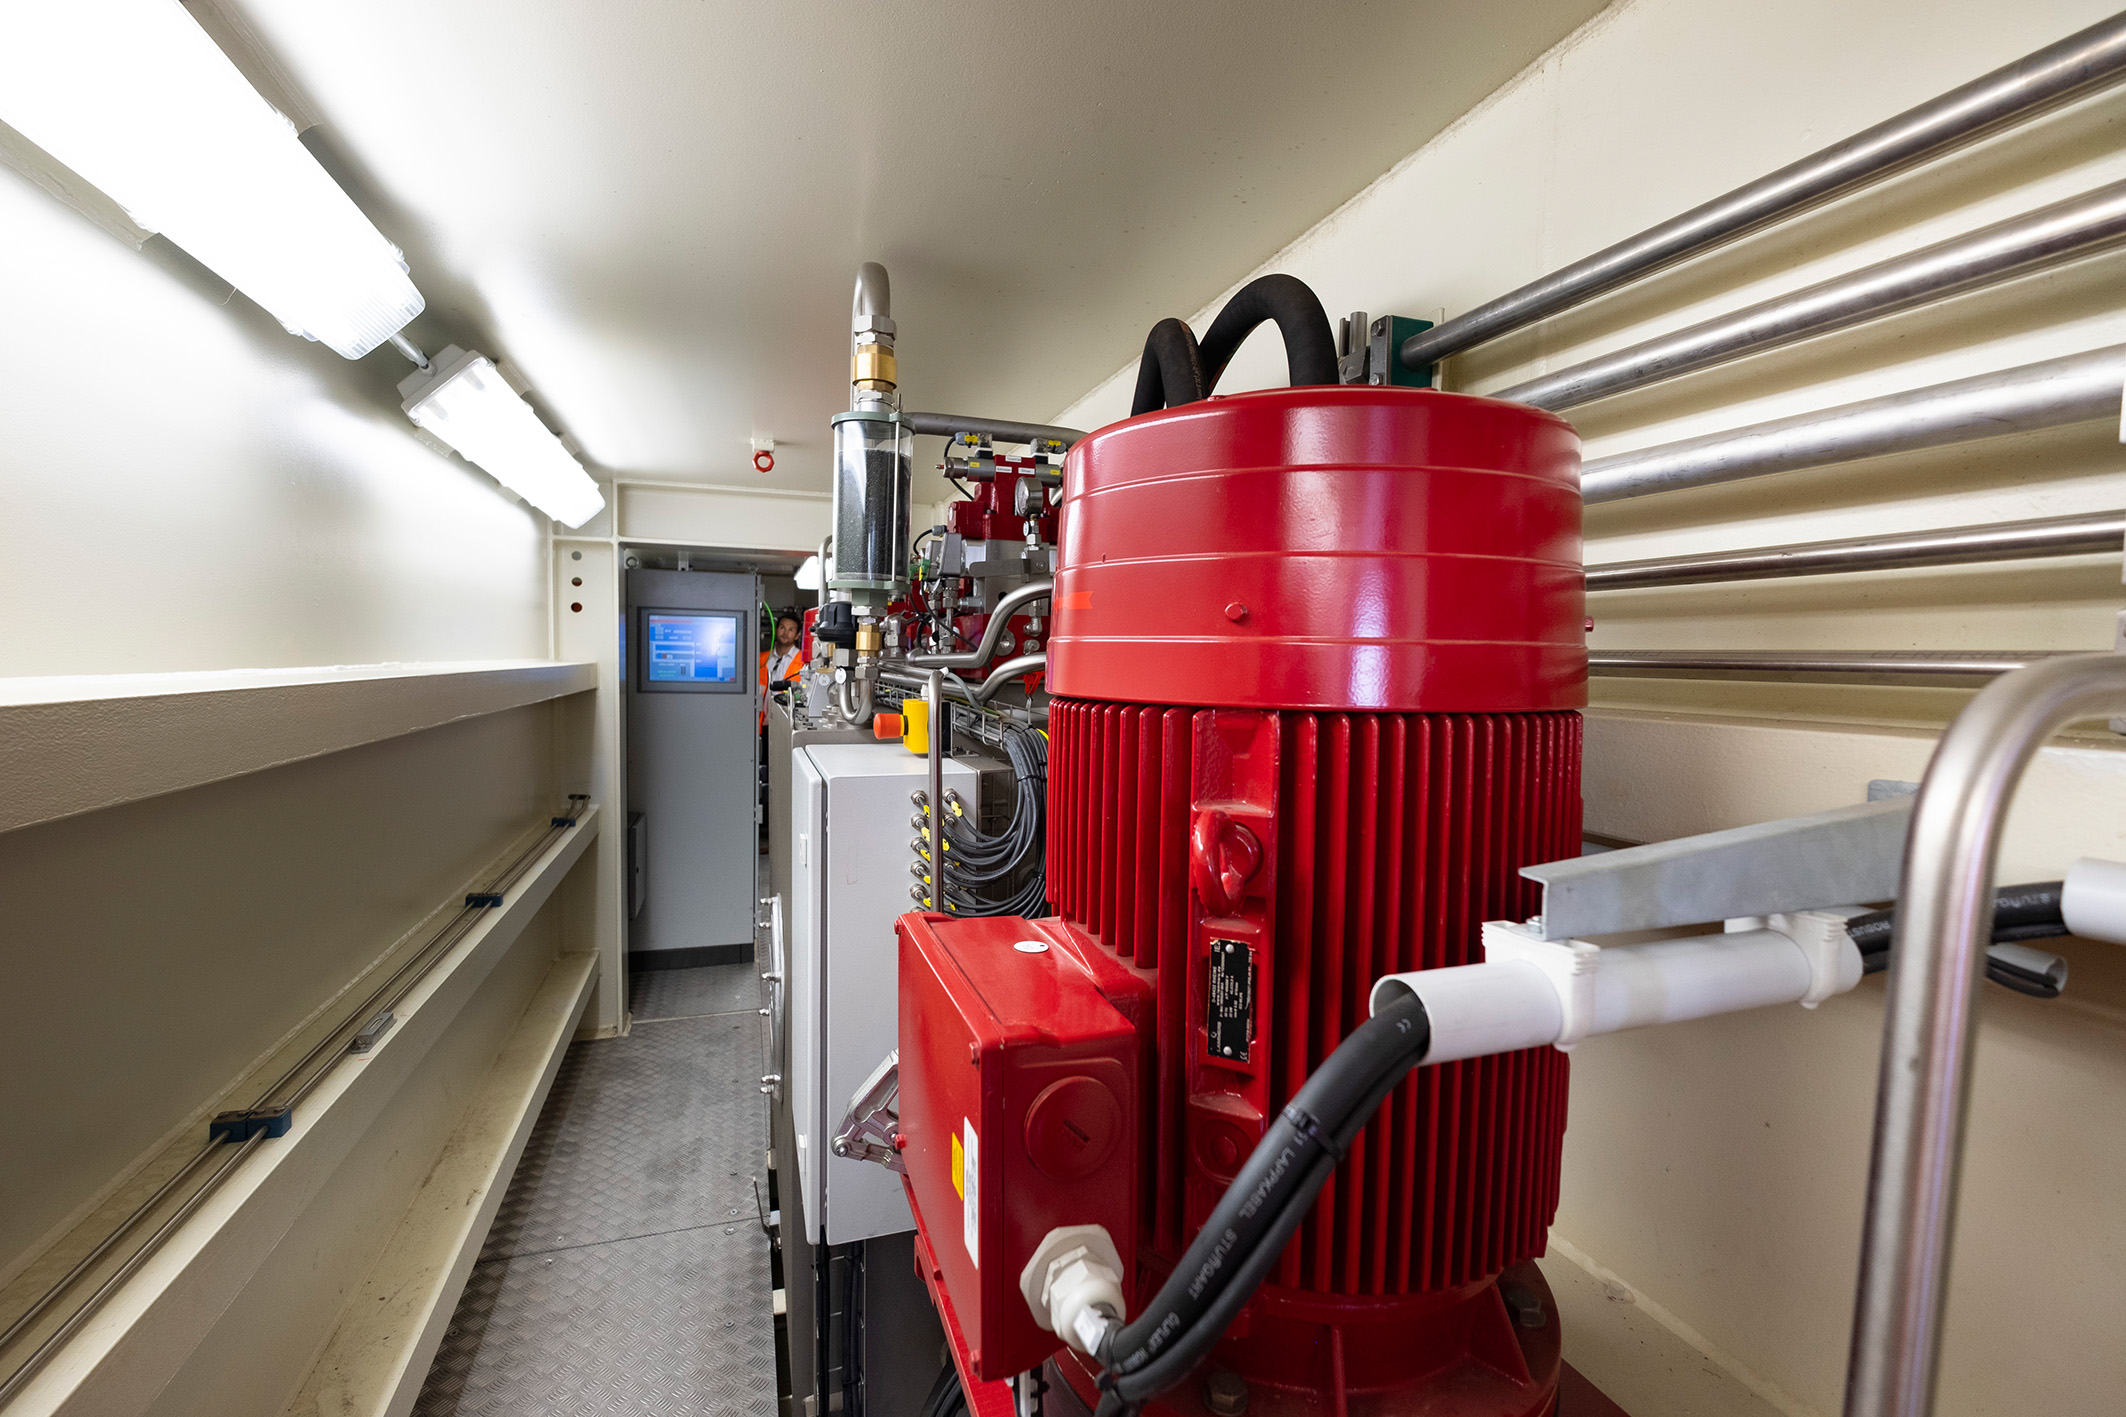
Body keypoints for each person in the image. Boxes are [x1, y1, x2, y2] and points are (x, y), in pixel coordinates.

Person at [759, 611, 803, 728]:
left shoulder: (803, 662)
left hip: (787, 724)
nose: (785, 633)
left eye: (791, 630)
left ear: (797, 635)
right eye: (782, 628)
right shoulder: (761, 659)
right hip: (762, 724)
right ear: (776, 630)